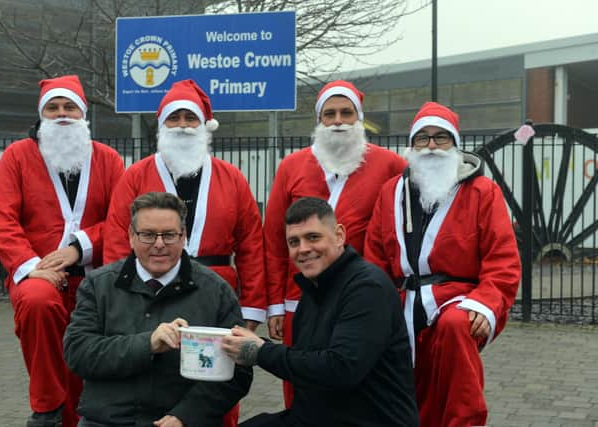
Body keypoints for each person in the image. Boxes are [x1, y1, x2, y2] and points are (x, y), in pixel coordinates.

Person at [364, 101, 521, 427]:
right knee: (400, 384)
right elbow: (375, 259)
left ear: (455, 144)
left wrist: (486, 304)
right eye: (422, 138)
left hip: (460, 299)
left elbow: (503, 260)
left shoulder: (482, 192)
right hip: (402, 302)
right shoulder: (390, 193)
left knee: (453, 328)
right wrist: (372, 308)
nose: (432, 146)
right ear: (411, 145)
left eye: (441, 137)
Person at [0, 75, 125, 427]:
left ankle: (82, 415)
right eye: (53, 108)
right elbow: (2, 216)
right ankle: (47, 408)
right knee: (37, 301)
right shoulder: (18, 156)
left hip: (94, 274)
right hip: (37, 274)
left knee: (88, 355)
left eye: (70, 107)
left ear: (83, 114)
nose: (62, 114)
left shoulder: (108, 160)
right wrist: (31, 266)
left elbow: (122, 218)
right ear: (41, 114)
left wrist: (79, 248)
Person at [262, 80, 406, 406]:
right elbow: (272, 239)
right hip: (298, 295)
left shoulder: (390, 165)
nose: (338, 121)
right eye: (330, 114)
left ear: (359, 117)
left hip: (360, 294)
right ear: (319, 120)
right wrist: (273, 304)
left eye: (346, 112)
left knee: (356, 376)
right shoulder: (291, 166)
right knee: (298, 381)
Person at [222, 197, 419, 427]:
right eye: (294, 242)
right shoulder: (313, 291)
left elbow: (340, 369)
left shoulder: (367, 288)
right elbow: (305, 365)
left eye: (313, 237)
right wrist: (250, 347)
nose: (303, 249)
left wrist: (261, 351)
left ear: (339, 236)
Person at [64, 192, 252, 427]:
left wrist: (187, 415)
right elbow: (78, 353)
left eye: (169, 235)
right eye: (148, 235)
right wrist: (148, 344)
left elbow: (238, 370)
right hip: (107, 420)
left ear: (183, 237)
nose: (159, 244)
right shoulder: (98, 285)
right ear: (131, 237)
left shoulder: (216, 291)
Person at [103, 79, 266, 332]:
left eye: (190, 118)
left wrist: (252, 307)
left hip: (216, 291)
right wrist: (120, 300)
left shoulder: (232, 177)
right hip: (150, 292)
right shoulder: (135, 175)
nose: (182, 125)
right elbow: (116, 240)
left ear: (203, 126)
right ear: (162, 125)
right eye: (174, 118)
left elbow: (251, 244)